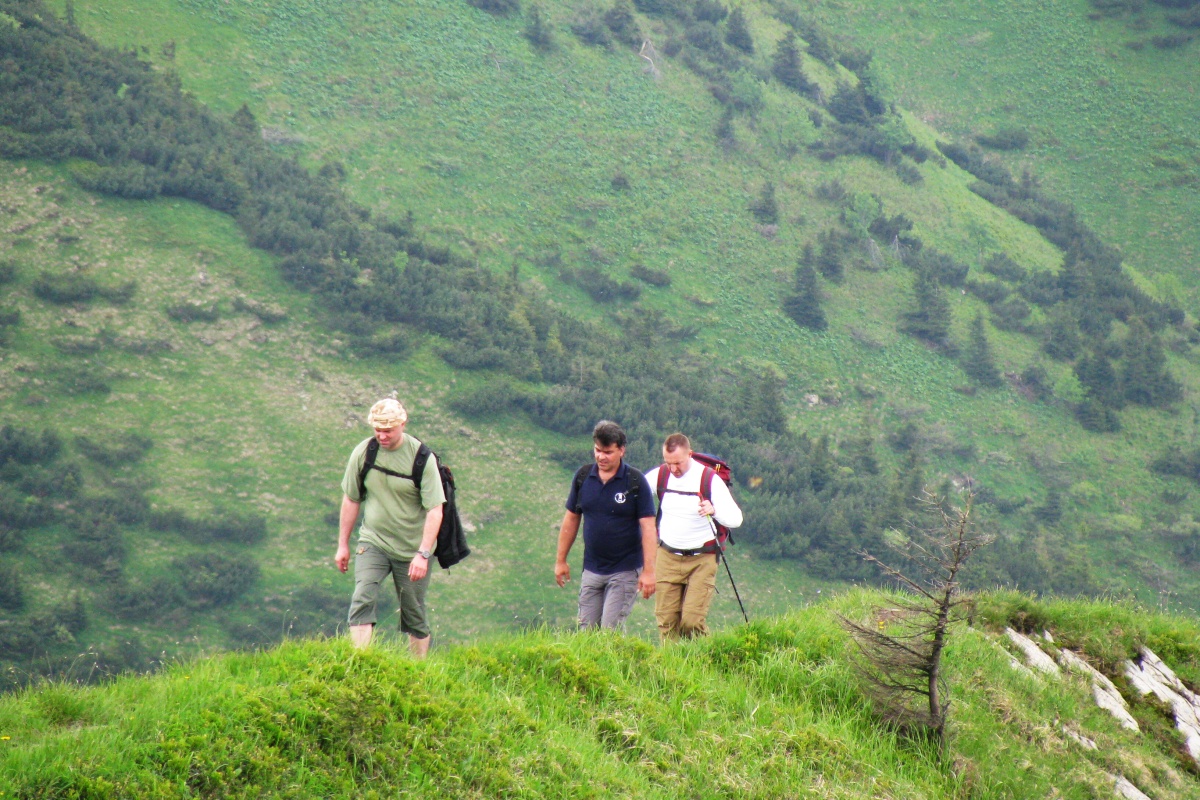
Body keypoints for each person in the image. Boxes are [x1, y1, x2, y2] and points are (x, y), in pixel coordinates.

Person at [335, 398, 446, 656]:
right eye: (378, 430)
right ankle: (360, 661)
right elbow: (351, 499)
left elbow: (435, 510)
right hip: (374, 541)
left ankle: (418, 669)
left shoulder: (421, 458)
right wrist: (342, 545)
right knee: (362, 596)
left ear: (402, 425)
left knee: (413, 613)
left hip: (412, 549)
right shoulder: (364, 453)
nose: (382, 436)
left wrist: (423, 554)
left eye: (388, 430)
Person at [555, 420, 657, 630]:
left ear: (621, 450)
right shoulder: (583, 477)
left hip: (625, 570)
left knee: (610, 631)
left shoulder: (635, 482)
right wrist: (561, 560)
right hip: (592, 569)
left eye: (608, 452)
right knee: (586, 632)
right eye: (597, 450)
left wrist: (649, 572)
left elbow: (648, 528)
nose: (601, 457)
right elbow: (571, 518)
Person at [644, 433, 742, 641]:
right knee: (666, 623)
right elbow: (636, 496)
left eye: (678, 463)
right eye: (668, 463)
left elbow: (736, 519)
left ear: (690, 454)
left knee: (692, 622)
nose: (673, 469)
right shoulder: (660, 475)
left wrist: (714, 510)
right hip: (667, 556)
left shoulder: (709, 479)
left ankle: (707, 656)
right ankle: (672, 662)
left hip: (702, 558)